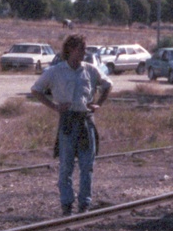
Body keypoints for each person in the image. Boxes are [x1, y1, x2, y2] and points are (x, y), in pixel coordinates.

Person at [31, 34, 112, 215]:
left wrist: (99, 103)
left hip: (86, 121)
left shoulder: (91, 70)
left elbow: (107, 85)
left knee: (87, 165)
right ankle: (66, 204)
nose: (84, 52)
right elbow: (36, 90)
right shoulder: (55, 71)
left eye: (85, 48)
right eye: (81, 48)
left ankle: (84, 204)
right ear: (70, 50)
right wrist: (54, 106)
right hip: (67, 121)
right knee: (66, 165)